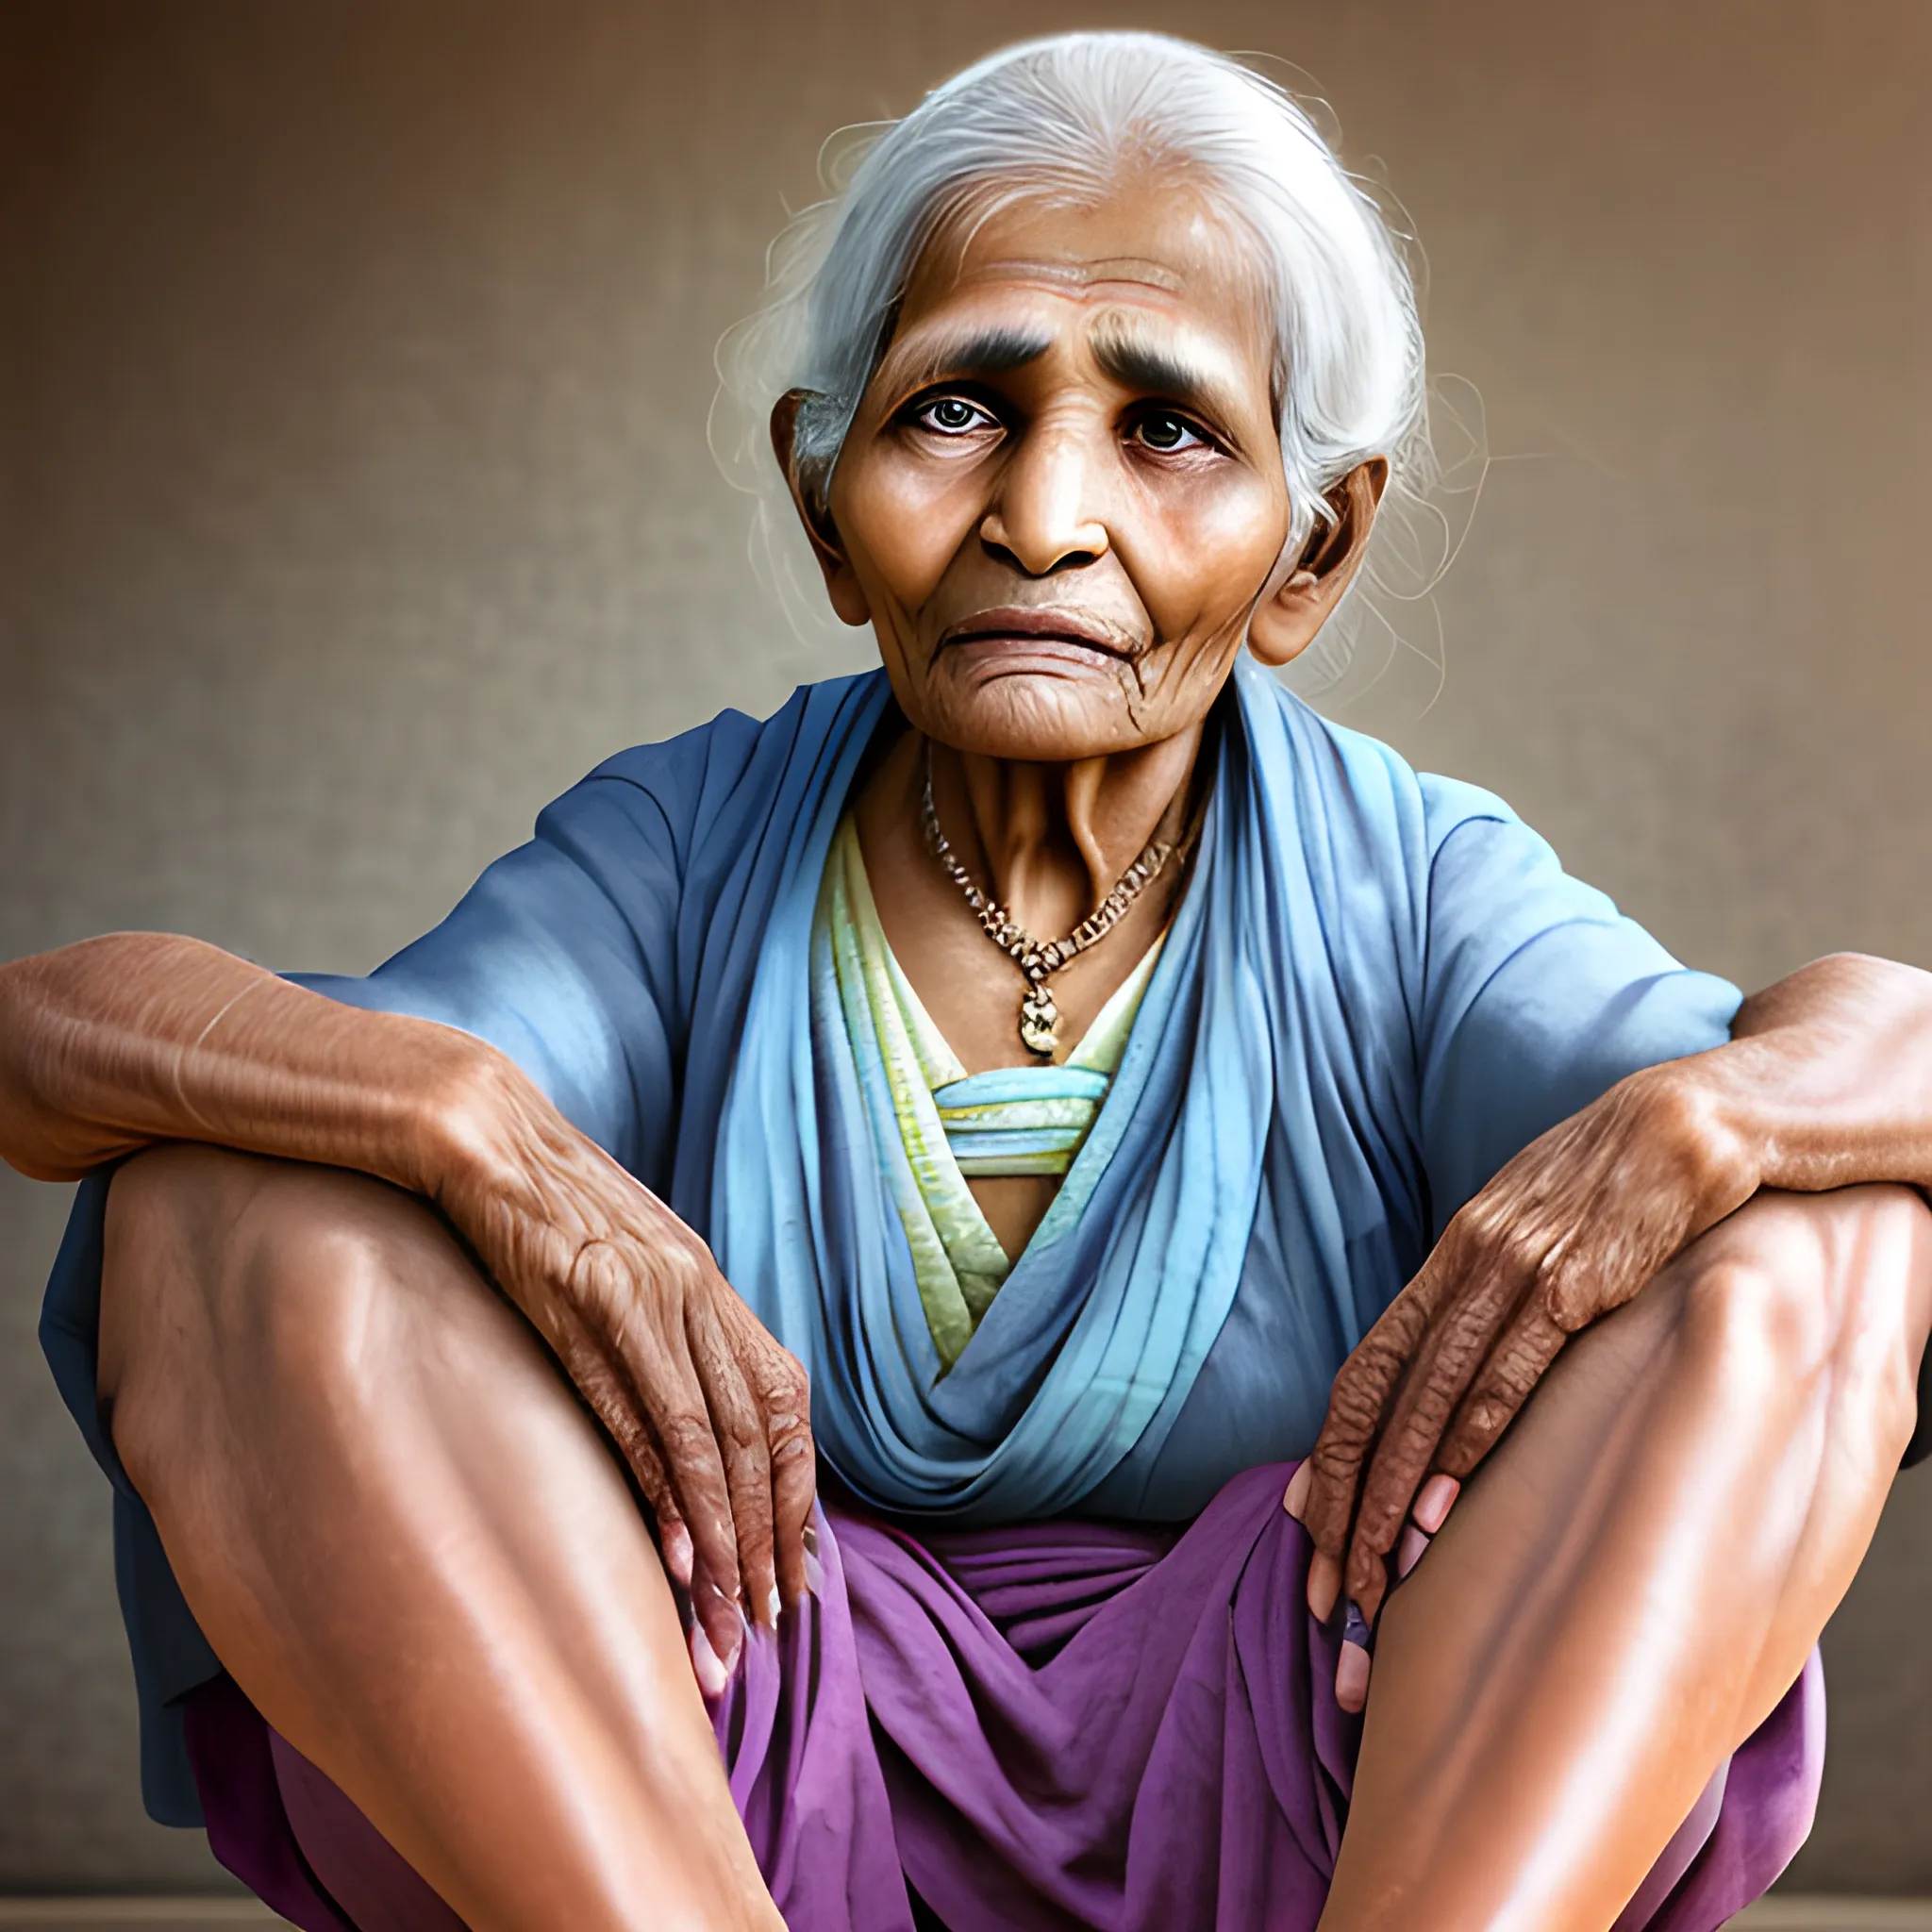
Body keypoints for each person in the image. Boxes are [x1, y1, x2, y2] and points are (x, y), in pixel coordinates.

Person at [4, 30, 1930, 1932]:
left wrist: (1716, 1106)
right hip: (707, 1794)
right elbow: (49, 1038)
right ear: (824, 495)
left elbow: (1878, 1062)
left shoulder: (1406, 885)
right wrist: (465, 1119)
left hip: (1335, 1799)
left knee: (1810, 1239)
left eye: (1167, 428)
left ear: (1312, 544)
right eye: (954, 411)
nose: (1041, 516)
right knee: (225, 1204)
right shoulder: (687, 850)